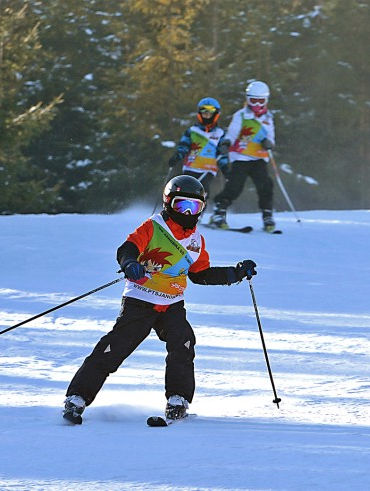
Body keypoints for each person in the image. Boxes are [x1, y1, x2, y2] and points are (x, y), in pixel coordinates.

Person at [63, 175, 257, 424]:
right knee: (115, 347)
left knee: (183, 343)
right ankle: (77, 397)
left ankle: (178, 399)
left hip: (172, 304)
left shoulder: (196, 241)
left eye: (194, 206)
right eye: (181, 205)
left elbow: (201, 274)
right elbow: (127, 248)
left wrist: (236, 273)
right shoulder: (154, 227)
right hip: (140, 300)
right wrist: (130, 263)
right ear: (168, 202)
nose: (187, 212)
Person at [209, 81, 276, 232]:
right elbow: (232, 133)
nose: (257, 105)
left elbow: (272, 138)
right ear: (248, 99)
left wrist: (269, 143)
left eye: (261, 101)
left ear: (266, 100)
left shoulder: (268, 118)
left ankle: (267, 215)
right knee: (235, 186)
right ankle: (219, 211)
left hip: (259, 157)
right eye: (253, 100)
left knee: (265, 185)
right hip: (241, 157)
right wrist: (226, 143)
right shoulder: (241, 116)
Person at [167, 97, 230, 213]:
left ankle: (197, 214)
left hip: (208, 170)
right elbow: (183, 146)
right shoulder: (192, 131)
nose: (207, 115)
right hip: (191, 166)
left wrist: (225, 169)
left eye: (210, 113)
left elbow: (222, 155)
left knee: (202, 191)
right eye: (204, 112)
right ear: (200, 114)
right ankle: (178, 211)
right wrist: (177, 156)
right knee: (186, 189)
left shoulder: (220, 134)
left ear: (215, 114)